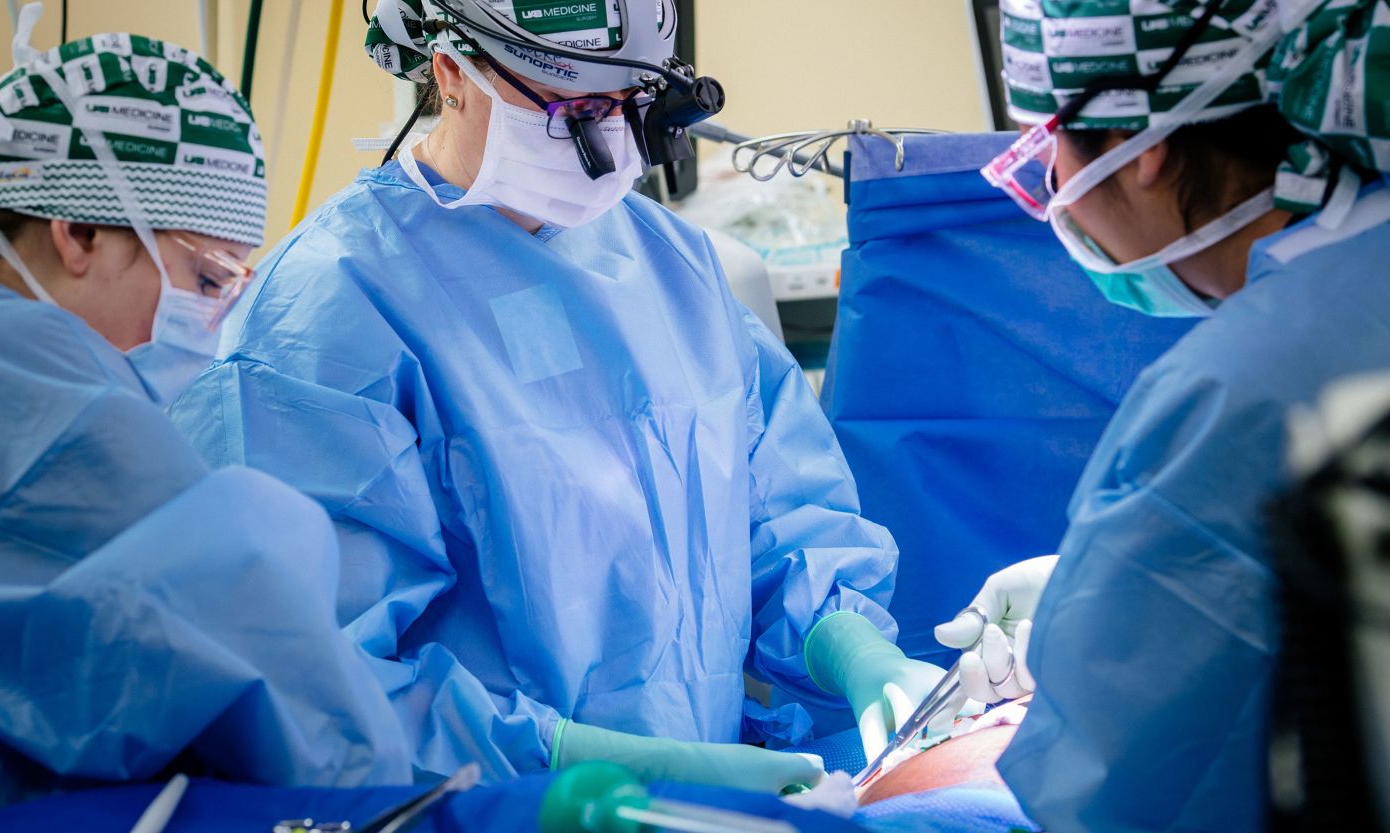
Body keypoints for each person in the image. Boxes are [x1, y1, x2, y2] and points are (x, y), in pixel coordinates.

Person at [170, 0, 948, 793]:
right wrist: (581, 761)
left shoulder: (677, 268)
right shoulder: (332, 304)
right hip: (491, 807)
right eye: (571, 109)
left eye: (628, 107)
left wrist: (856, 650)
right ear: (451, 70)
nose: (606, 138)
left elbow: (780, 517)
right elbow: (322, 673)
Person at [0, 21, 409, 827]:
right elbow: (273, 671)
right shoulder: (17, 385)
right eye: (206, 275)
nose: (214, 317)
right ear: (80, 233)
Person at [933, 1, 1390, 830]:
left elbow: (1117, 793)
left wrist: (1105, 637)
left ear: (1140, 151)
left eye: (1054, 141)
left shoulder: (1246, 386)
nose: (1054, 181)